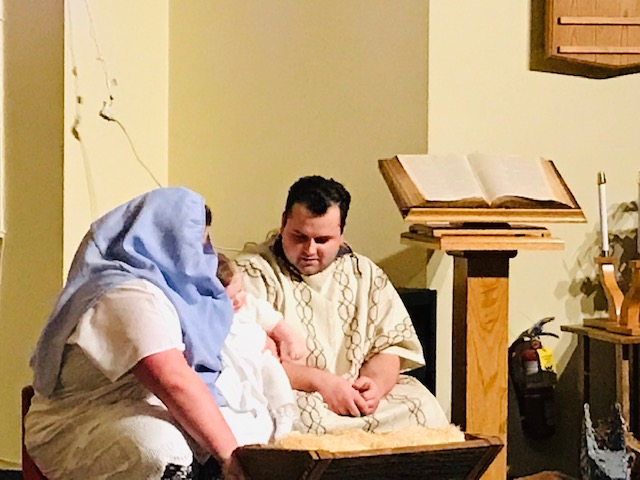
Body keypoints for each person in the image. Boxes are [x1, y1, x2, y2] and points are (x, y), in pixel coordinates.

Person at [25, 187, 247, 480]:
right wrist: (234, 460)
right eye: (198, 245)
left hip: (132, 408)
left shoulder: (170, 294)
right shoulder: (124, 293)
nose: (206, 258)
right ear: (164, 240)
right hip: (80, 421)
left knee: (233, 430)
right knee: (163, 449)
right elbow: (173, 380)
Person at [234, 175, 450, 435]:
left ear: (341, 234)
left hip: (352, 391)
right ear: (283, 223)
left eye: (322, 240)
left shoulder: (363, 272)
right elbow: (250, 358)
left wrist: (373, 386)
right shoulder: (252, 272)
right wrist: (322, 383)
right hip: (294, 390)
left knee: (422, 404)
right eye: (299, 237)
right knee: (297, 418)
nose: (309, 250)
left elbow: (391, 346)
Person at [214, 253, 304, 442]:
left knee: (273, 372)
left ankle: (284, 417)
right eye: (229, 298)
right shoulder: (211, 317)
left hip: (258, 356)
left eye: (240, 291)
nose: (238, 300)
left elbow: (276, 323)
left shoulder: (250, 305)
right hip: (232, 364)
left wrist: (291, 341)